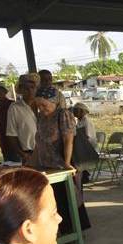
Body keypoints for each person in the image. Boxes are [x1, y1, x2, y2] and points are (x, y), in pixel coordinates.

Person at [28, 96, 91, 235]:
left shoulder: (63, 114)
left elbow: (68, 139)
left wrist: (67, 163)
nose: (41, 108)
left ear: (54, 102)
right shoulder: (41, 117)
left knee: (70, 197)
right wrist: (31, 163)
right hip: (48, 164)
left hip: (63, 163)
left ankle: (76, 231)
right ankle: (63, 230)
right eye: (38, 105)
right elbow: (39, 142)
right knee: (56, 197)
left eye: (44, 105)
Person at [6, 73, 38, 163]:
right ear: (21, 90)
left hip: (49, 152)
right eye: (26, 88)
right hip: (29, 153)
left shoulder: (43, 105)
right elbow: (11, 135)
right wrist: (23, 154)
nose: (30, 91)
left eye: (32, 87)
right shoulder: (14, 108)